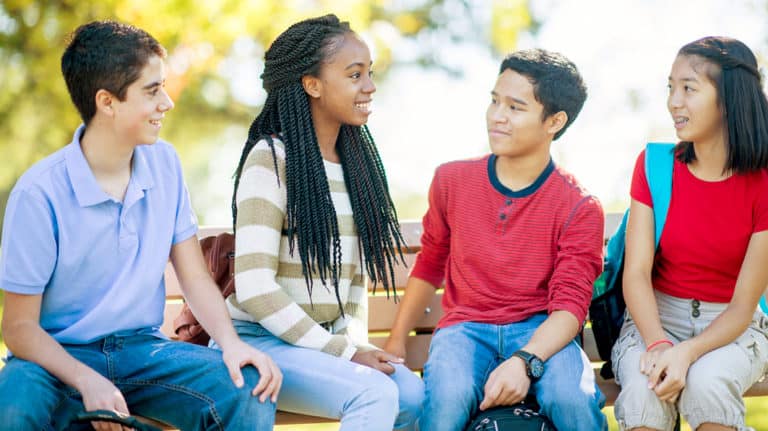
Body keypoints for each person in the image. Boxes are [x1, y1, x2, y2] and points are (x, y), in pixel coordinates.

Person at [0, 20, 281, 430]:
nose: (166, 102)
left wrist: (232, 344)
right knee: (12, 407)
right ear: (107, 102)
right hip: (56, 358)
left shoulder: (165, 165)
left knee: (248, 386)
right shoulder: (39, 194)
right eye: (152, 91)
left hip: (142, 352)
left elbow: (195, 279)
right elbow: (19, 328)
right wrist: (87, 380)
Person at [383, 48, 608, 431]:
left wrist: (525, 360)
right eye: (494, 101)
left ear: (554, 121)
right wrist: (396, 340)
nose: (497, 117)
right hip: (465, 329)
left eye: (515, 107)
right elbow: (431, 261)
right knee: (446, 401)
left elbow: (570, 307)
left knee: (571, 399)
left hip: (540, 329)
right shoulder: (451, 181)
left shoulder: (580, 206)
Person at [221, 14, 424, 431]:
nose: (369, 86)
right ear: (312, 85)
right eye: (354, 75)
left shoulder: (354, 165)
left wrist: (353, 345)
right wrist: (344, 354)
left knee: (413, 395)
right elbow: (255, 287)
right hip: (259, 344)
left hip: (320, 345)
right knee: (373, 391)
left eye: (369, 73)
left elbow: (351, 281)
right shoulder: (272, 160)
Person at [613, 36, 768, 431]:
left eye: (688, 88)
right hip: (655, 318)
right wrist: (661, 344)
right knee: (645, 391)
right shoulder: (654, 166)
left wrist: (690, 353)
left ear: (729, 98)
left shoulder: (764, 182)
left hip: (732, 324)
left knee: (708, 385)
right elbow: (636, 274)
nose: (673, 102)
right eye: (671, 87)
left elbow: (743, 305)